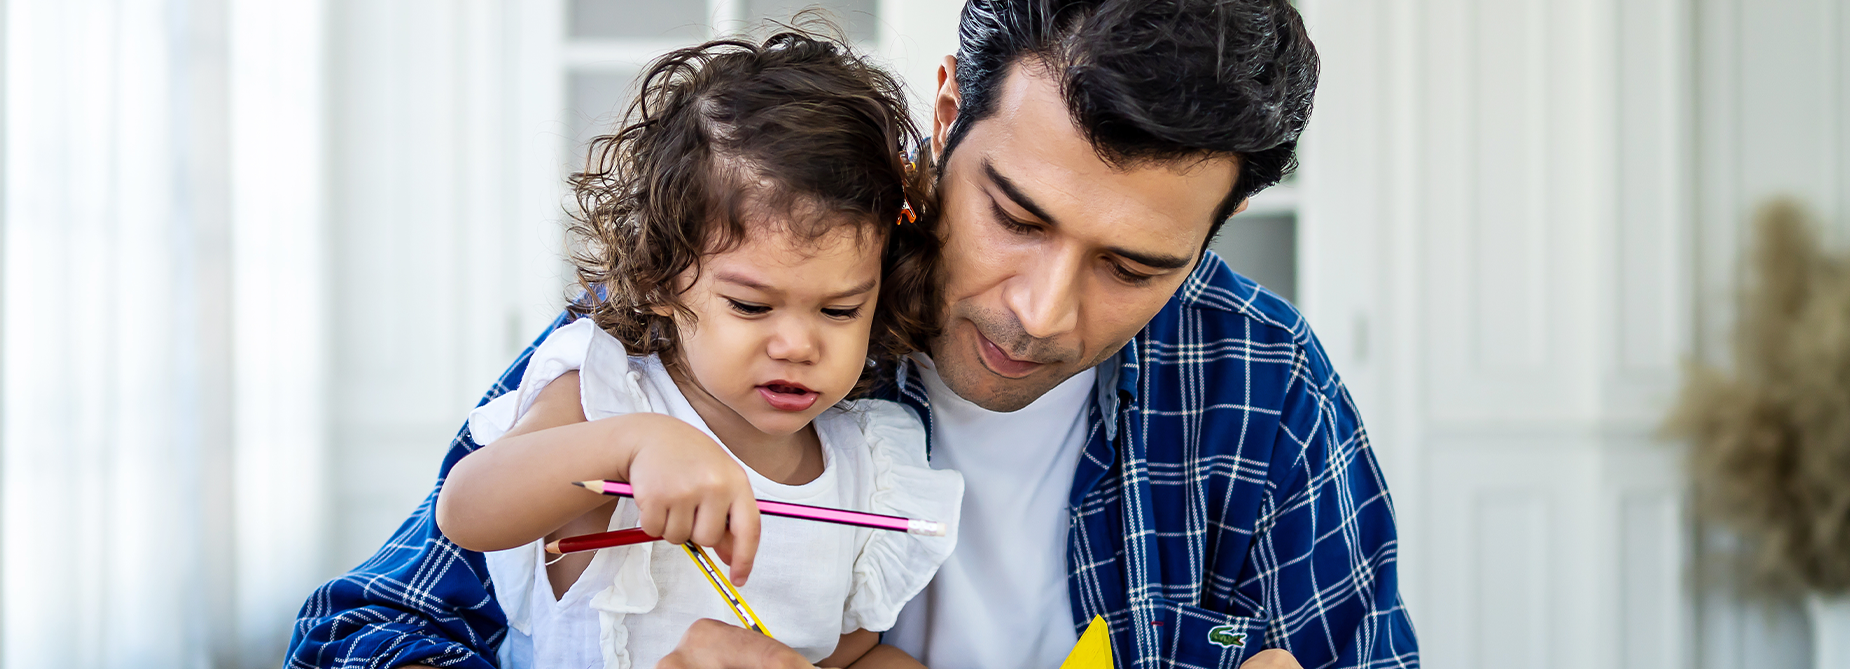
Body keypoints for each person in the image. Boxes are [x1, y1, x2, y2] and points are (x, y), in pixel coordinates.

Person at [288, 1, 1418, 668]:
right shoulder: (698, 333)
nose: (1041, 310)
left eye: (1135, 266)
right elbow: (353, 636)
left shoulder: (1264, 389)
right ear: (943, 118)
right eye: (1014, 216)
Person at [306, 30, 964, 669]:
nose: (797, 344)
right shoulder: (606, 394)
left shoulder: (873, 467)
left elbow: (857, 652)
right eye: (752, 306)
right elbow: (466, 508)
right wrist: (633, 444)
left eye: (839, 308)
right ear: (658, 277)